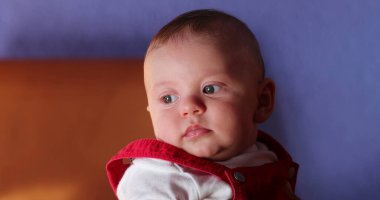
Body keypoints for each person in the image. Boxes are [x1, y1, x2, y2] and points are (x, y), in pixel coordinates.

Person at [106, 9, 299, 200]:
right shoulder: (158, 177)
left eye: (210, 89)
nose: (189, 107)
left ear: (262, 101)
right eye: (168, 99)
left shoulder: (264, 157)